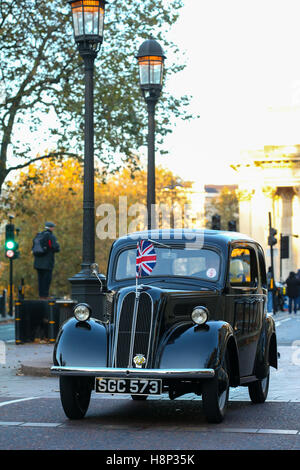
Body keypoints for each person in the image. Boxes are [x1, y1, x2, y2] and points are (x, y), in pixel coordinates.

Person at [32, 222, 60, 299]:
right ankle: (45, 296)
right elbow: (56, 248)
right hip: (47, 263)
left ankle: (41, 295)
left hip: (37, 263)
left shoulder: (38, 235)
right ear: (51, 228)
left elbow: (33, 248)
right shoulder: (51, 236)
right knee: (46, 279)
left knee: (40, 280)